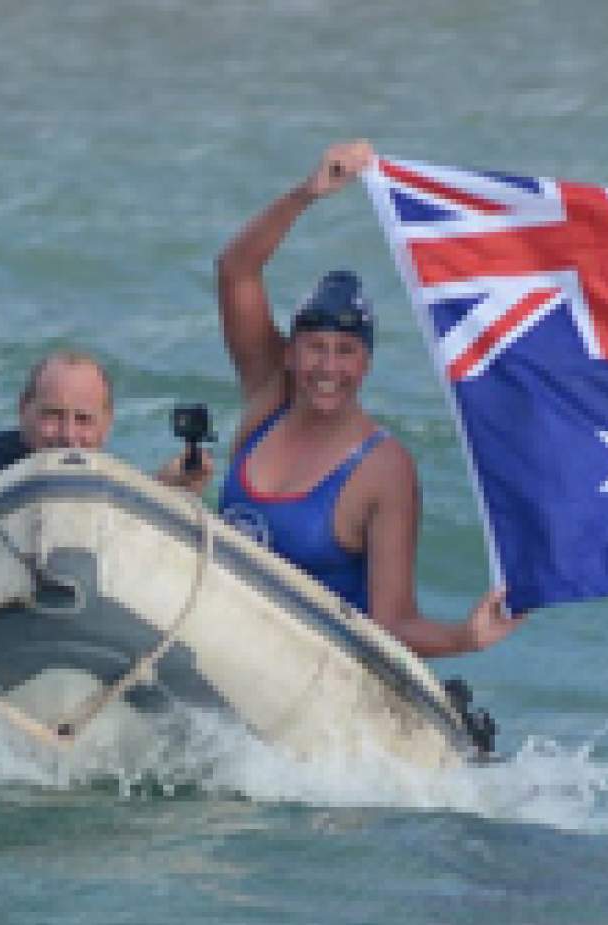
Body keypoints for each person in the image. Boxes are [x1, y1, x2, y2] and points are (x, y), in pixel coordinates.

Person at [214, 140, 522, 659]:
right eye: (315, 347)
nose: (328, 368)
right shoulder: (270, 395)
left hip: (312, 670)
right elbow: (235, 271)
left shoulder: (384, 469)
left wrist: (463, 638)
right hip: (223, 645)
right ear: (290, 352)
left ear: (366, 364)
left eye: (346, 352)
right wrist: (306, 194)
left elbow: (393, 622)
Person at [0, 348, 211, 493]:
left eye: (83, 419)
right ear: (23, 410)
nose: (68, 435)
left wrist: (166, 490)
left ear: (107, 424)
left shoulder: (110, 478)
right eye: (53, 415)